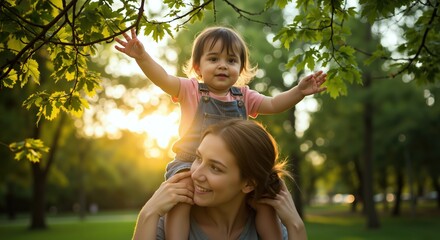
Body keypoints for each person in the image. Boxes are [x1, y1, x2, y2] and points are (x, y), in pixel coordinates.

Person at [115, 26, 325, 240]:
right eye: (214, 59)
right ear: (198, 67)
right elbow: (163, 78)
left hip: (237, 166)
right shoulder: (191, 90)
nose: (223, 66)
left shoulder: (243, 96)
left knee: (265, 199)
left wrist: (298, 92)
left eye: (231, 61)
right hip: (189, 162)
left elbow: (273, 104)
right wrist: (142, 58)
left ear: (241, 68)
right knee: (182, 197)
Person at [132, 119, 307, 240]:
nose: (195, 174)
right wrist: (148, 213)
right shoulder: (168, 223)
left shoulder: (266, 229)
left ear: (248, 183)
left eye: (215, 168)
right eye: (198, 158)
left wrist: (296, 225)